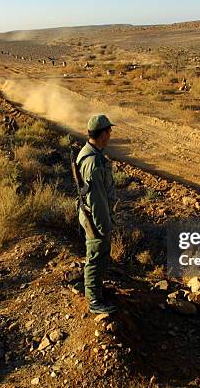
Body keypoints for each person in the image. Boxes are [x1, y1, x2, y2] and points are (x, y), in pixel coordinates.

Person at [76, 115, 118, 314]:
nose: (110, 135)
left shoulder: (90, 152)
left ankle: (95, 290)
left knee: (97, 255)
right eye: (109, 131)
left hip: (91, 215)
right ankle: (94, 301)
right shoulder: (93, 163)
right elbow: (98, 200)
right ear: (102, 134)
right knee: (96, 256)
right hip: (96, 219)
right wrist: (104, 227)